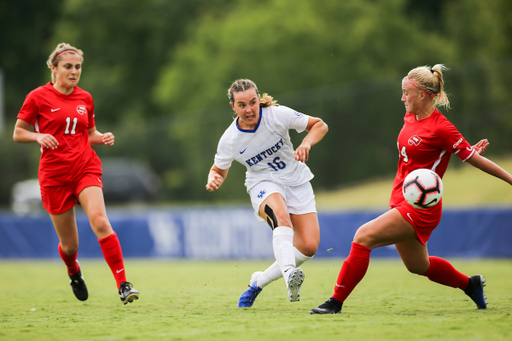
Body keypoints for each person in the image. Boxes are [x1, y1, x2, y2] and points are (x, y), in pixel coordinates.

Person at [310, 64, 512, 314]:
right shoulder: (411, 117)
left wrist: (508, 178)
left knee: (363, 237)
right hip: (401, 199)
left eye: (407, 92)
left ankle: (335, 302)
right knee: (418, 266)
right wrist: (463, 149)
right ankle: (470, 285)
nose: (402, 97)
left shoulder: (441, 127)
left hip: (421, 207)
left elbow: (473, 159)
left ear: (424, 94)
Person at [13, 43, 139, 305]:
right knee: (70, 246)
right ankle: (73, 270)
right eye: (68, 66)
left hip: (85, 168)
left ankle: (123, 285)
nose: (74, 71)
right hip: (54, 177)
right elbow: (18, 132)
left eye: (78, 66)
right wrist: (39, 135)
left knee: (101, 222)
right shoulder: (37, 97)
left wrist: (101, 138)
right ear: (54, 68)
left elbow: (88, 134)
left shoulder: (85, 98)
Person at [206, 79, 328, 307]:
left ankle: (258, 282)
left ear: (258, 99)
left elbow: (320, 125)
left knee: (309, 247)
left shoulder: (276, 115)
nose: (249, 109)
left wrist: (306, 144)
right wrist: (214, 179)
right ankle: (290, 272)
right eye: (242, 105)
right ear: (233, 107)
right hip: (262, 182)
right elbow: (218, 170)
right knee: (281, 215)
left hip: (296, 180)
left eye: (253, 102)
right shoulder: (230, 139)